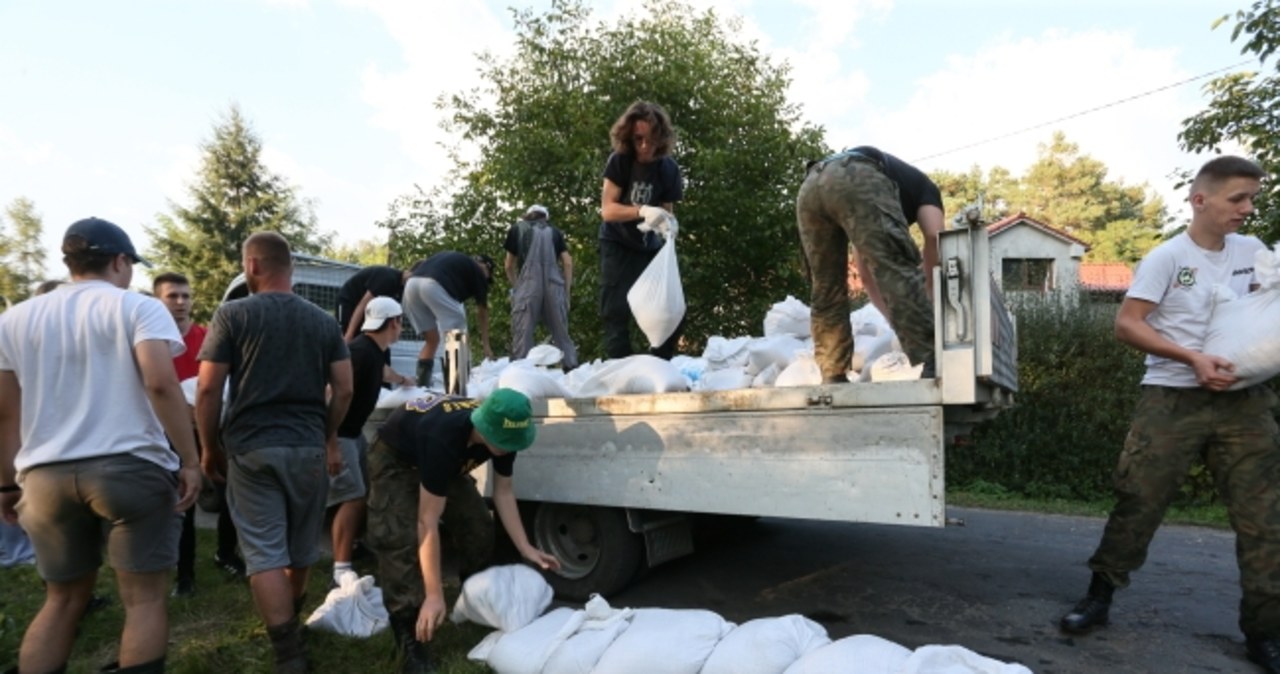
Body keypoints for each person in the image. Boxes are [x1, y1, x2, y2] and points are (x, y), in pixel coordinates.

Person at [1056, 156, 1280, 673]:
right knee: (1139, 501)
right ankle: (1098, 599)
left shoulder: (1252, 251)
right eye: (1237, 199)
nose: (1248, 209)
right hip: (1172, 398)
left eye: (1252, 199)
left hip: (1245, 404)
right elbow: (1128, 325)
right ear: (1200, 200)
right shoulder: (1166, 258)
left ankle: (1266, 633)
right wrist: (1193, 359)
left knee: (1266, 519)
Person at [0, 217, 201, 674]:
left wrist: (5, 486)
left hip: (45, 477)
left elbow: (5, 412)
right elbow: (161, 385)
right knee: (144, 599)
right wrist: (190, 460)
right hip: (129, 469)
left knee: (63, 599)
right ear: (119, 261)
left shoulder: (13, 320)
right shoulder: (138, 308)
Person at [196, 232, 353, 673]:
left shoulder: (232, 314)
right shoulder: (323, 322)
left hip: (251, 448)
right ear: (291, 269)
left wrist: (209, 448)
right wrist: (327, 434)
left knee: (265, 552)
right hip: (307, 447)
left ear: (252, 266)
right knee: (302, 548)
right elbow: (344, 389)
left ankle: (288, 654)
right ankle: (293, 621)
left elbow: (208, 389)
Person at [366, 388, 559, 673]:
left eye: (512, 443)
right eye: (503, 442)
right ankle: (408, 632)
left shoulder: (506, 434)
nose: (507, 448)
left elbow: (503, 492)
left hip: (448, 460)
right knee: (399, 538)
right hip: (397, 458)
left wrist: (525, 547)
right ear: (483, 427)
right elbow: (427, 522)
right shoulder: (443, 436)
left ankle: (474, 601)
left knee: (478, 525)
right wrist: (434, 594)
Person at [795, 145, 942, 383]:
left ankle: (833, 374)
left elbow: (865, 276)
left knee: (826, 286)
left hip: (811, 185)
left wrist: (896, 320)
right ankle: (931, 362)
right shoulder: (927, 189)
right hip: (856, 176)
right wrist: (929, 292)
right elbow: (935, 237)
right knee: (897, 269)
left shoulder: (871, 209)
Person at [152, 271, 246, 596]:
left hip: (213, 433)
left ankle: (225, 553)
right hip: (170, 438)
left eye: (185, 296)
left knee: (229, 495)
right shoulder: (151, 345)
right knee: (184, 503)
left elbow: (223, 387)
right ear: (157, 300)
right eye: (172, 296)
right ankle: (185, 574)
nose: (180, 303)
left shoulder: (208, 338)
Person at [598, 100, 685, 360]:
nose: (645, 146)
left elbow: (667, 211)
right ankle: (620, 369)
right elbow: (608, 210)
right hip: (617, 243)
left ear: (662, 138)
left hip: (649, 246)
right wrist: (642, 211)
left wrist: (667, 225)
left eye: (651, 139)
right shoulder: (620, 162)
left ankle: (659, 365)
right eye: (638, 139)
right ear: (629, 138)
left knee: (669, 308)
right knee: (616, 310)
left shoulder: (669, 169)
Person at [329, 296, 406, 587]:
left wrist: (401, 379)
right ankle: (340, 568)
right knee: (352, 498)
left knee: (365, 492)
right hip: (341, 434)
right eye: (400, 323)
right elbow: (330, 393)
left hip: (354, 433)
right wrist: (331, 442)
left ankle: (355, 548)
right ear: (394, 322)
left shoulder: (373, 350)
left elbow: (382, 372)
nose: (401, 328)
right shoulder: (359, 352)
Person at [402, 251, 495, 385]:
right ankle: (456, 390)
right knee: (456, 334)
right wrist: (486, 345)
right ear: (486, 267)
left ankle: (421, 388)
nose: (486, 280)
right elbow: (482, 312)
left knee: (432, 341)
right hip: (434, 284)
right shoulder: (478, 272)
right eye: (488, 277)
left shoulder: (454, 262)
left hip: (411, 285)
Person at [504, 204, 578, 369]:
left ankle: (520, 376)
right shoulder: (555, 232)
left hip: (528, 286)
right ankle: (571, 371)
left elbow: (509, 265)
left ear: (527, 215)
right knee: (561, 334)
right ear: (545, 217)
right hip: (554, 286)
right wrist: (566, 292)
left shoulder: (517, 229)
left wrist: (517, 288)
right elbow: (567, 262)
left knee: (523, 334)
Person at [336, 264, 409, 341]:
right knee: (345, 333)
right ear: (408, 272)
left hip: (365, 309)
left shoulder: (401, 289)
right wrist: (349, 334)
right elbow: (363, 304)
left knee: (360, 336)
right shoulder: (388, 278)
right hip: (348, 300)